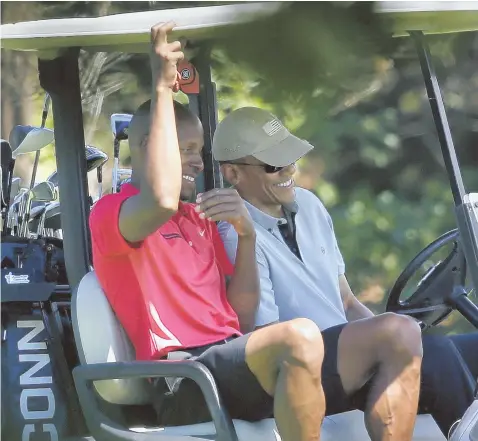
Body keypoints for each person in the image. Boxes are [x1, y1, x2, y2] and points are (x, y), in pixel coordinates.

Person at [90, 23, 422, 441]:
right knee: (300, 334)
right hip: (184, 378)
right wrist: (161, 87)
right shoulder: (113, 215)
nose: (196, 162)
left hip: (233, 365)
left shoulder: (200, 219)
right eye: (185, 150)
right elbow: (160, 199)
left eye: (199, 151)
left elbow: (242, 315)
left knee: (398, 332)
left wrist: (246, 235)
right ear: (146, 147)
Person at [214, 106, 478, 436]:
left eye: (291, 158)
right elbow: (265, 333)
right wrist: (389, 339)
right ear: (233, 174)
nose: (290, 170)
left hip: (347, 355)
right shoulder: (234, 235)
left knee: (459, 348)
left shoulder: (309, 205)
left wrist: (396, 340)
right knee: (434, 351)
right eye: (274, 165)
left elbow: (348, 301)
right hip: (300, 368)